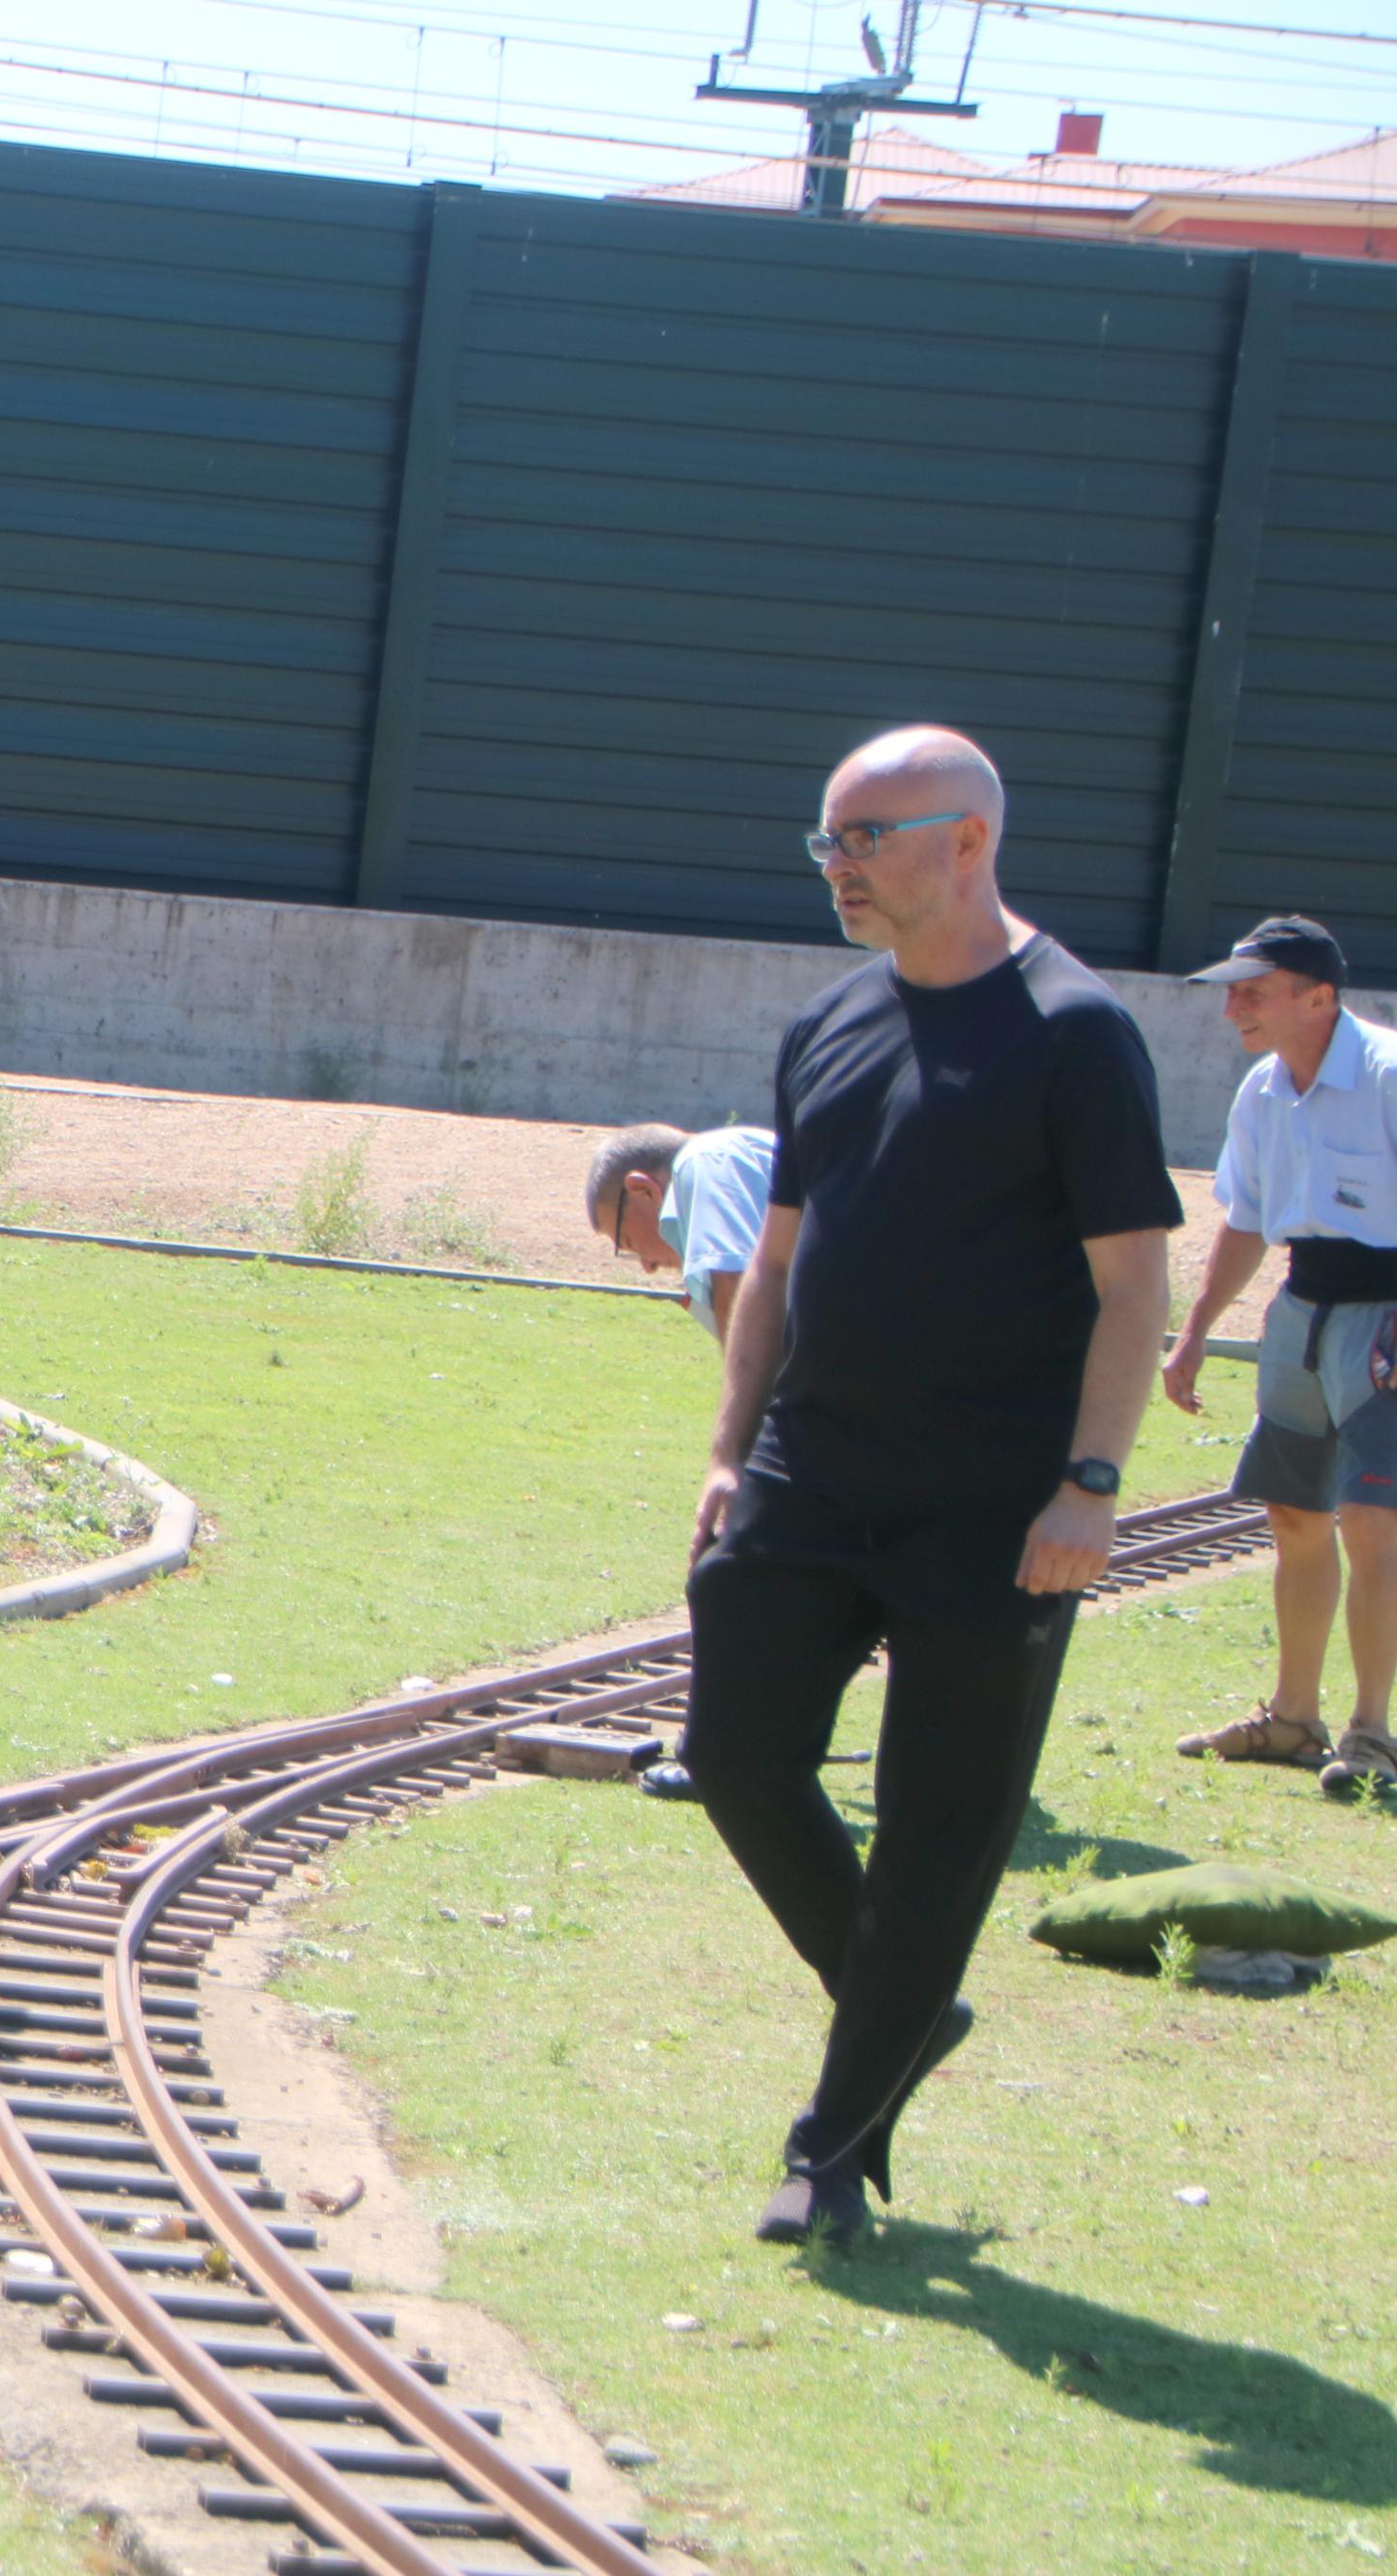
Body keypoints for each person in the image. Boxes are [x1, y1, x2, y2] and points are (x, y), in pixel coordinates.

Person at [678, 725, 1179, 2250]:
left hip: (993, 1505)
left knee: (940, 1827)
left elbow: (1128, 1283)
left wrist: (1088, 1483)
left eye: (865, 836)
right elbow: (770, 1263)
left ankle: (829, 2142)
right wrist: (724, 1443)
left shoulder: (1074, 1031)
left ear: (964, 839)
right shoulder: (828, 1020)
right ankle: (900, 2005)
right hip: (809, 1471)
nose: (836, 864)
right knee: (731, 1751)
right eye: (824, 839)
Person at [1161, 915, 1397, 1806]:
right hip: (1298, 1310)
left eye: (1251, 991)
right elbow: (1248, 1217)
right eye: (1230, 990)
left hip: (1384, 1316)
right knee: (1294, 1516)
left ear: (1319, 996)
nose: (1231, 1009)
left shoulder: (1387, 1073)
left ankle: (1372, 1734)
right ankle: (1295, 1717)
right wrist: (1194, 1332)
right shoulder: (1261, 1087)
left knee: (1374, 1521)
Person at [590, 1120, 782, 1800]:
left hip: (831, 1405)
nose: (641, 1263)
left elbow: (742, 1293)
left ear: (640, 1189)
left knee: (723, 1569)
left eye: (621, 1241)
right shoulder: (744, 1163)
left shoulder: (708, 1162)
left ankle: (718, 1755)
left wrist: (733, 1457)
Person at [588, 1121, 778, 1343]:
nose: (648, 1267)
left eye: (631, 1245)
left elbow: (733, 1278)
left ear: (644, 1191)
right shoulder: (721, 1159)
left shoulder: (704, 1161)